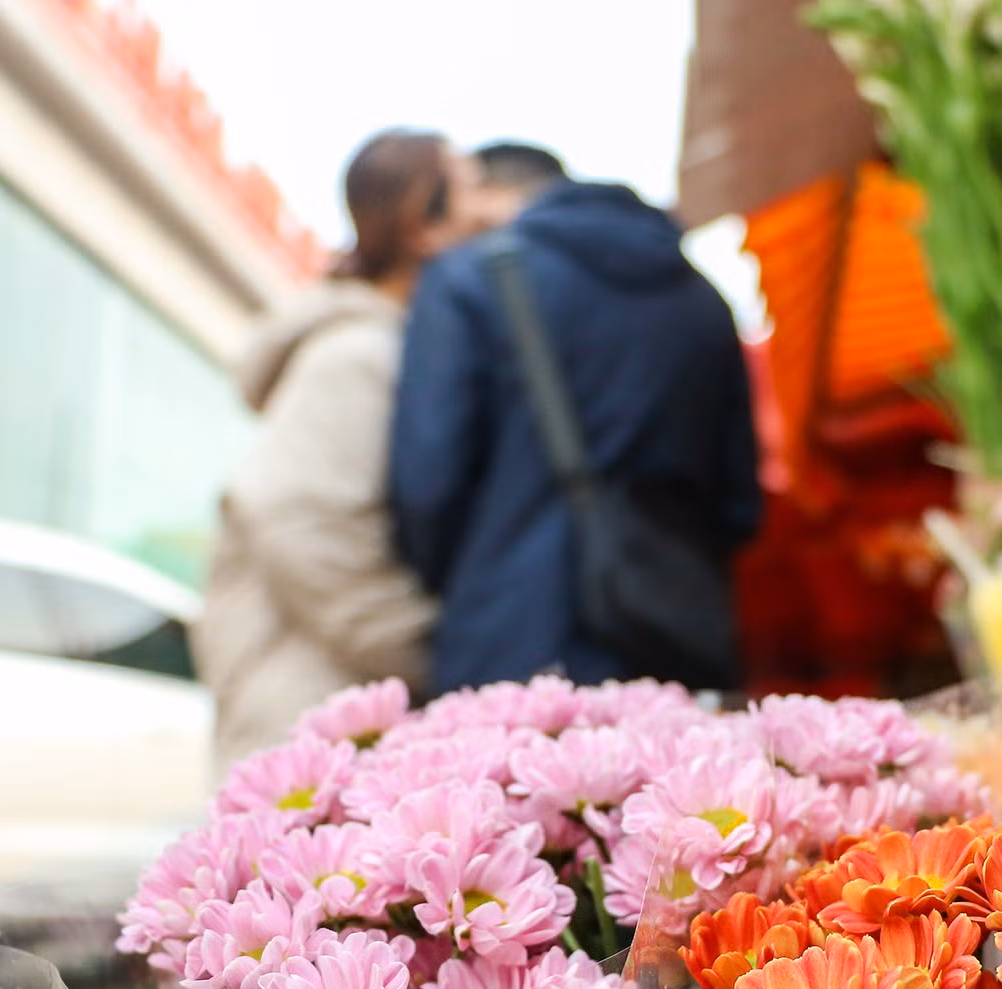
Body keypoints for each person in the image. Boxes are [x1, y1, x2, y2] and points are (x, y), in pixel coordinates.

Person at [389, 142, 762, 694]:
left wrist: (486, 572)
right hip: (677, 647)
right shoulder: (706, 303)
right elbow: (740, 507)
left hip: (509, 652)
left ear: (496, 195)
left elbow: (427, 488)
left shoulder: (466, 279)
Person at [194, 129, 482, 772]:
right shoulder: (361, 356)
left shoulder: (388, 349)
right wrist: (433, 655)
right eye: (472, 194)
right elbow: (299, 519)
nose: (490, 216)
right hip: (306, 727)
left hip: (325, 712)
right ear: (422, 228)